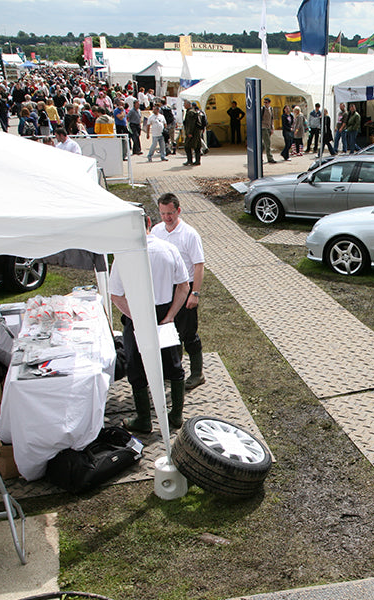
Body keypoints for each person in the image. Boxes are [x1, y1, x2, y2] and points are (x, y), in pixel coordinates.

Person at [109, 213, 190, 433]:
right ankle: (176, 416)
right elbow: (183, 286)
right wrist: (172, 315)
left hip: (138, 316)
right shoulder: (168, 249)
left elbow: (115, 296)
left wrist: (137, 317)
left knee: (136, 368)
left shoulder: (123, 255)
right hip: (165, 314)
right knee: (174, 366)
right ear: (149, 224)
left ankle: (144, 419)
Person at [152, 193, 206, 390]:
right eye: (163, 213)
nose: (167, 217)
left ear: (178, 211)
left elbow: (199, 265)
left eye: (171, 213)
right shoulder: (156, 231)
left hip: (186, 286)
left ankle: (197, 373)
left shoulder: (189, 234)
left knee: (188, 332)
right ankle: (172, 369)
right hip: (166, 288)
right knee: (168, 328)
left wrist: (195, 293)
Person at [182, 100, 207, 166]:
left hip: (193, 132)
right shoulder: (194, 111)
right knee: (197, 147)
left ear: (188, 104)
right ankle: (197, 161)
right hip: (197, 131)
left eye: (184, 104)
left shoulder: (190, 112)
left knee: (187, 146)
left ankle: (190, 160)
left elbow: (191, 124)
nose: (184, 105)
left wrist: (189, 132)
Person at [261, 97, 276, 163]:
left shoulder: (271, 109)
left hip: (268, 127)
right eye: (264, 102)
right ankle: (270, 158)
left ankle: (259, 156)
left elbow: (272, 119)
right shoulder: (262, 109)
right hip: (263, 127)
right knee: (267, 143)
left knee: (264, 144)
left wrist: (272, 128)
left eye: (266, 102)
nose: (265, 103)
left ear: (269, 103)